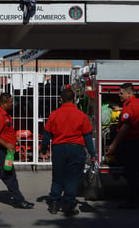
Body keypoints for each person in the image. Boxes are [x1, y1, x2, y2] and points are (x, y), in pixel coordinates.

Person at [40, 88, 96, 216]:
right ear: (74, 100)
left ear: (61, 100)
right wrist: (92, 154)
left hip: (59, 148)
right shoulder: (81, 115)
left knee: (58, 176)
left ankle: (54, 202)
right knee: (72, 178)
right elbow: (87, 136)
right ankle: (69, 204)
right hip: (76, 149)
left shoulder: (54, 114)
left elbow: (47, 134)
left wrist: (43, 149)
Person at [107, 83, 139, 209]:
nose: (119, 95)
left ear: (129, 93)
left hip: (131, 144)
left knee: (131, 173)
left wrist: (113, 145)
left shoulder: (128, 106)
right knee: (135, 172)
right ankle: (136, 199)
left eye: (121, 93)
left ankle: (133, 202)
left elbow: (125, 127)